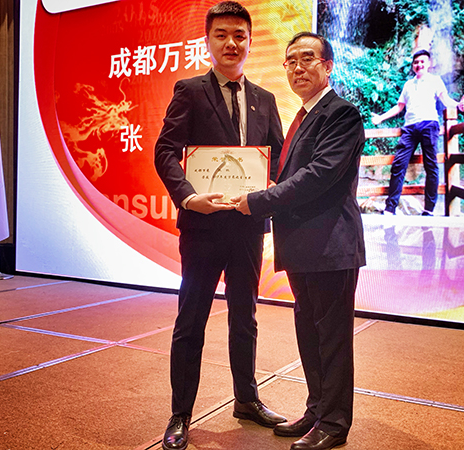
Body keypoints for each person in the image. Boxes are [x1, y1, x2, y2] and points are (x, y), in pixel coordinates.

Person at [154, 2, 286, 449]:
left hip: (248, 227)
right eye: (222, 35)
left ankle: (246, 399)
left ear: (250, 42)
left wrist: (274, 190)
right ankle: (180, 413)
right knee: (191, 319)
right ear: (207, 42)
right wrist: (189, 197)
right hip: (203, 227)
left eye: (239, 35)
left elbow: (277, 159)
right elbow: (165, 151)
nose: (231, 43)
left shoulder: (265, 99)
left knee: (244, 317)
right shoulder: (189, 91)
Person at [232, 32, 366, 450]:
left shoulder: (341, 113)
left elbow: (319, 175)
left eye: (307, 58)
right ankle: (317, 410)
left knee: (332, 338)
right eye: (290, 61)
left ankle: (335, 424)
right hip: (304, 247)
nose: (297, 68)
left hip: (331, 246)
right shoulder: (303, 116)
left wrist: (258, 200)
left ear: (327, 66)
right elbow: (290, 176)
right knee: (310, 333)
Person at [372, 49, 464, 216]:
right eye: (416, 62)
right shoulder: (408, 85)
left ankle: (428, 209)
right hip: (409, 127)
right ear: (413, 65)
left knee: (431, 165)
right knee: (399, 164)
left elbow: (445, 99)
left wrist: (458, 105)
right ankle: (390, 208)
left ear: (429, 63)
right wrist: (381, 118)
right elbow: (399, 106)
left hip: (429, 124)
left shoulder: (435, 80)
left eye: (422, 61)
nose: (419, 64)